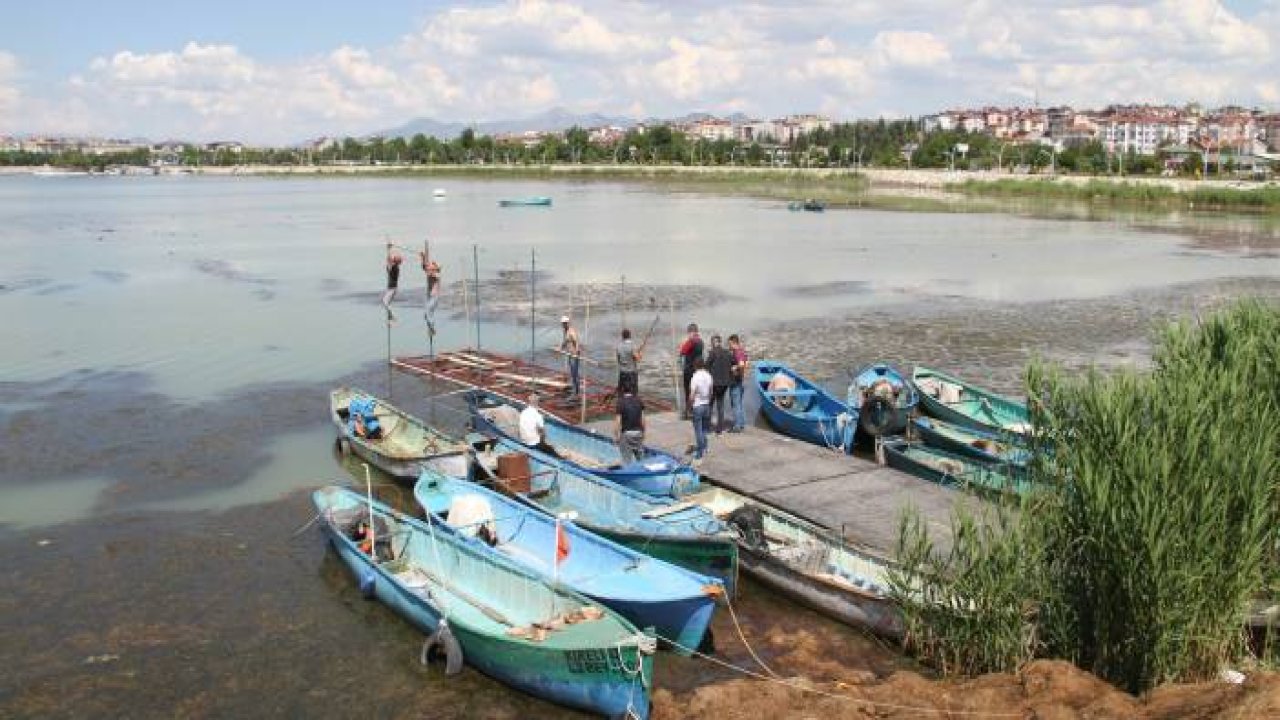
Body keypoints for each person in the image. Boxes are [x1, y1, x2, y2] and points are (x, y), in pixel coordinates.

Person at [705, 334, 734, 433]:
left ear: (714, 342)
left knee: (710, 405)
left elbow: (706, 366)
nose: (711, 344)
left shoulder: (712, 353)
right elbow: (733, 363)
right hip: (725, 384)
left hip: (714, 383)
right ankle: (719, 428)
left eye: (712, 342)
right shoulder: (727, 353)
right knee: (720, 405)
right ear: (720, 342)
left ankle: (708, 427)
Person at [518, 393, 560, 458]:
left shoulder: (523, 412)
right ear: (538, 403)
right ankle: (560, 458)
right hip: (533, 443)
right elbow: (542, 432)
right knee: (550, 449)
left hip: (524, 441)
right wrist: (545, 442)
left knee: (544, 444)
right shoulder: (538, 415)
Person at [688, 357, 713, 460]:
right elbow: (711, 391)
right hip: (707, 404)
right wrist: (708, 401)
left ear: (695, 366)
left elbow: (692, 395)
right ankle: (706, 447)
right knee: (704, 429)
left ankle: (699, 452)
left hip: (698, 405)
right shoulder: (709, 375)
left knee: (698, 430)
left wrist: (689, 406)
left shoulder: (695, 377)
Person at [614, 386, 645, 466]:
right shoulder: (639, 400)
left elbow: (618, 422)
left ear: (622, 392)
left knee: (627, 461)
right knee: (641, 460)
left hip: (626, 434)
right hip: (638, 433)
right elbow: (643, 419)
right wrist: (643, 432)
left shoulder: (620, 402)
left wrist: (616, 436)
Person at [678, 323, 704, 419]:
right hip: (698, 370)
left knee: (688, 391)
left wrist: (682, 346)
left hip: (689, 369)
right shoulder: (701, 341)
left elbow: (683, 352)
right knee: (697, 391)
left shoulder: (691, 341)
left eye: (689, 332)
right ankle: (697, 410)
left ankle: (689, 411)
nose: (688, 334)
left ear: (691, 332)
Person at [728, 334, 749, 432]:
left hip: (736, 382)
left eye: (729, 344)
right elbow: (746, 364)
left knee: (736, 404)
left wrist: (734, 367)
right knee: (739, 404)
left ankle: (737, 426)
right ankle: (742, 423)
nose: (729, 346)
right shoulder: (743, 352)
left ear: (733, 342)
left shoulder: (737, 352)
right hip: (740, 381)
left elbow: (741, 364)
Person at [420, 250, 441, 337]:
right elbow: (424, 267)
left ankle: (432, 329)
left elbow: (429, 271)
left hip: (434, 297)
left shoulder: (436, 275)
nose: (430, 268)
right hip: (429, 297)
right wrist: (423, 257)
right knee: (427, 315)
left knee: (428, 312)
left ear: (435, 269)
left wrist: (425, 259)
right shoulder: (430, 272)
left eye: (432, 267)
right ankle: (431, 329)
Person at [560, 315, 581, 400]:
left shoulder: (571, 331)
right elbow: (565, 341)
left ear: (568, 323)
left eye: (565, 323)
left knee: (574, 374)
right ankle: (576, 391)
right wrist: (561, 347)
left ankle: (575, 392)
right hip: (570, 355)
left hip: (574, 356)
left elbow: (577, 342)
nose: (564, 325)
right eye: (562, 323)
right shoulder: (565, 331)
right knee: (573, 374)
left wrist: (576, 352)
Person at [616, 328, 641, 396]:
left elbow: (618, 360)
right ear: (630, 336)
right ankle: (633, 404)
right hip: (631, 373)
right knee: (633, 392)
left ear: (622, 336)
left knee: (622, 391)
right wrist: (640, 354)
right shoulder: (632, 346)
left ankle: (622, 404)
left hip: (622, 372)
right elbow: (638, 358)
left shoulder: (618, 346)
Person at [382, 244, 402, 322]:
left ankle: (393, 316)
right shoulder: (394, 266)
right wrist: (389, 249)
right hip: (391, 288)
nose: (393, 259)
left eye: (394, 259)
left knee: (385, 302)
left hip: (392, 289)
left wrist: (389, 249)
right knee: (387, 303)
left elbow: (389, 260)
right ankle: (390, 317)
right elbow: (388, 260)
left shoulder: (395, 267)